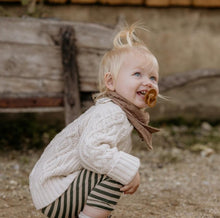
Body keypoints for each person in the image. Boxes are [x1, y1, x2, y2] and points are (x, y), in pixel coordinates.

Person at [29, 23, 160, 218]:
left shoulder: (119, 111)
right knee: (118, 171)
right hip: (56, 190)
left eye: (153, 78)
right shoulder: (111, 112)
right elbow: (90, 150)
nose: (148, 82)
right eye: (137, 74)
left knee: (115, 166)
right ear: (111, 82)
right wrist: (129, 170)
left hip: (56, 189)